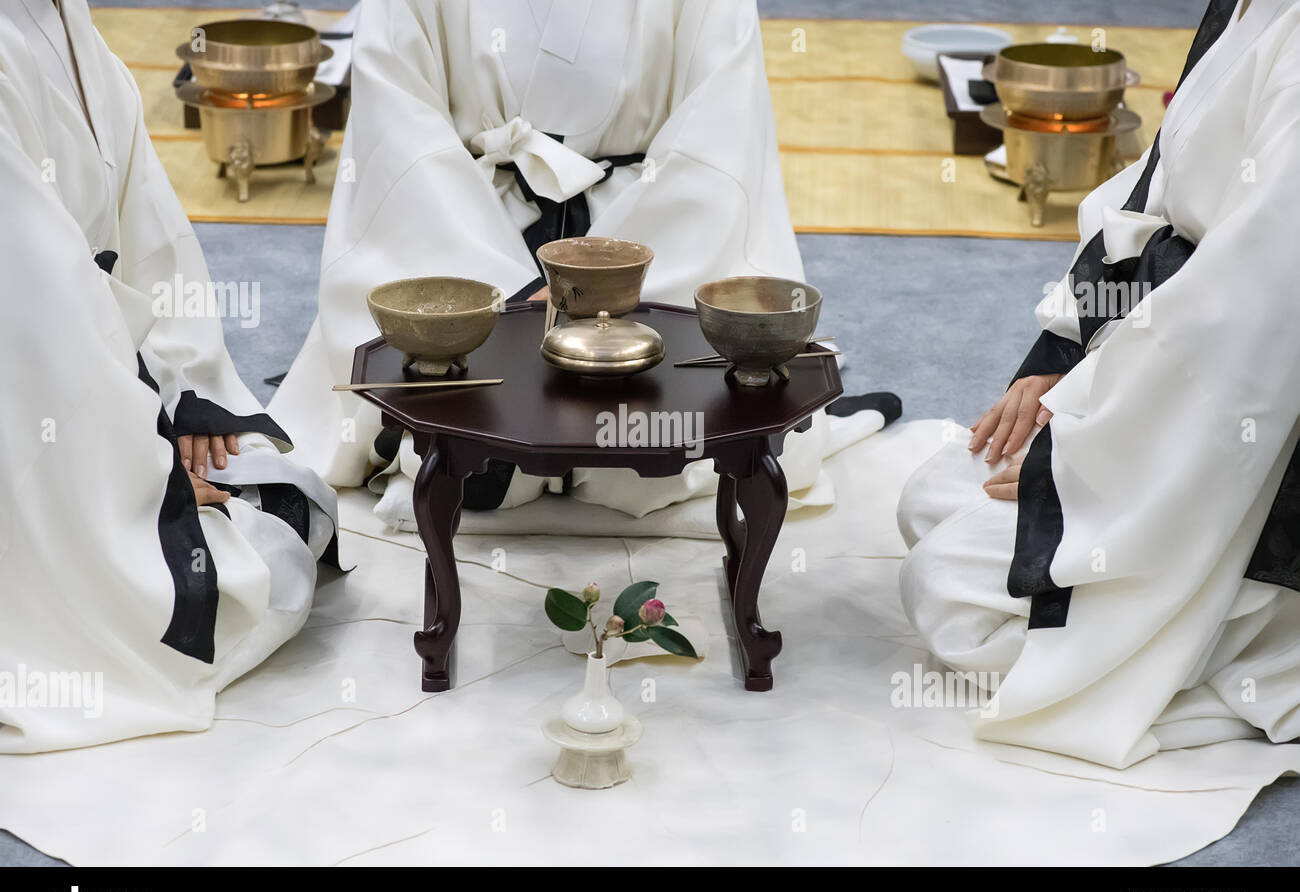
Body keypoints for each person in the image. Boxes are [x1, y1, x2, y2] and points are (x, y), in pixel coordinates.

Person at [269, 0, 889, 527]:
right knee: (478, 434)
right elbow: (398, 129)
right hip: (474, 213)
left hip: (644, 220)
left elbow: (719, 137)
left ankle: (547, 418)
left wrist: (608, 281)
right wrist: (505, 299)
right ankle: (485, 402)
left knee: (650, 452)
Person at [897, 0, 1300, 769]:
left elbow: (1248, 317)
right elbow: (1154, 190)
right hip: (1156, 360)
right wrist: (1064, 346)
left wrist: (1083, 462)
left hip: (1242, 436)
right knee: (930, 497)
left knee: (948, 588)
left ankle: (1265, 642)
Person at [0, 0, 338, 751]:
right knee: (233, 587)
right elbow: (33, 315)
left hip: (105, 364)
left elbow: (145, 233)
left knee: (292, 499)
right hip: (30, 409)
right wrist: (145, 464)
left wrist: (183, 396)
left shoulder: (66, 20)